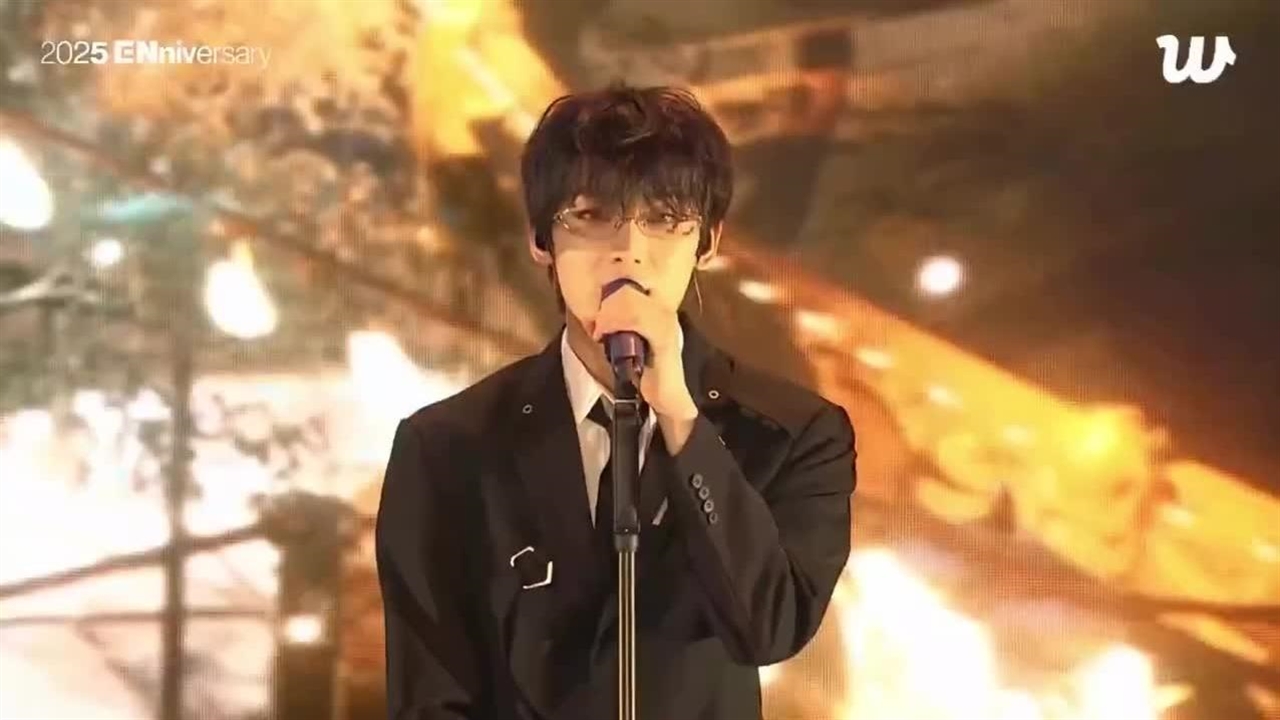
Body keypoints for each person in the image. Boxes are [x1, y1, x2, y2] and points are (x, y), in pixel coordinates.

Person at [375, 84, 857, 720]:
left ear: (707, 242)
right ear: (541, 239)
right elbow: (431, 695)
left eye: (664, 220)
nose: (629, 248)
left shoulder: (793, 434)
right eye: (592, 216)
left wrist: (682, 421)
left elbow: (768, 628)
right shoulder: (447, 447)